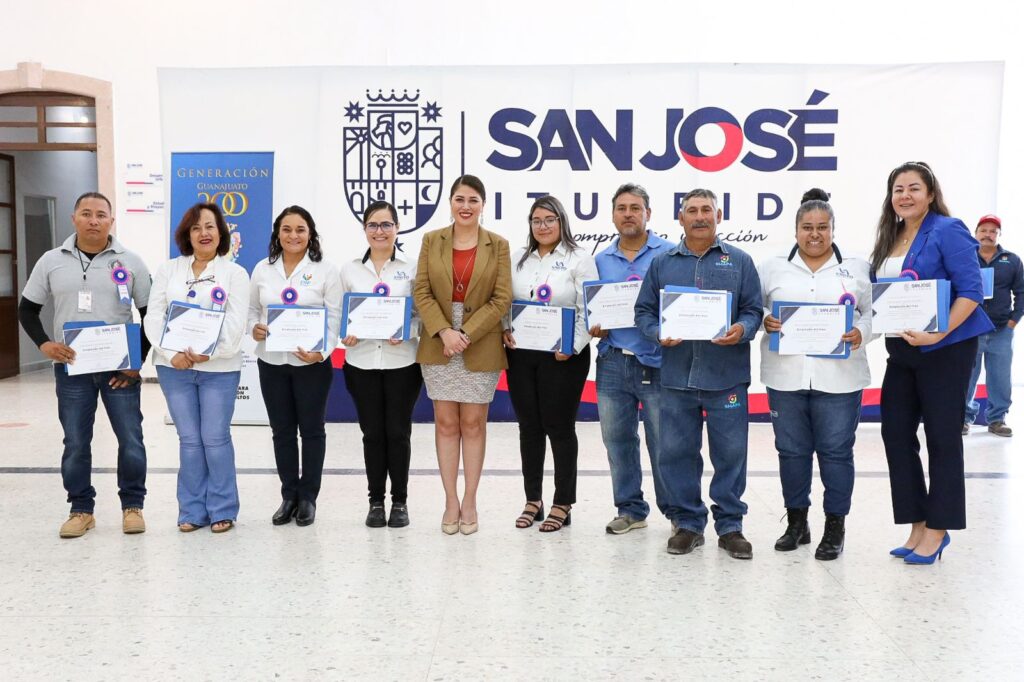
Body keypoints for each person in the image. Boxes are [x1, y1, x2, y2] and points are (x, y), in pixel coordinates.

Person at [870, 161, 993, 565]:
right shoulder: (891, 235)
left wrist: (938, 334)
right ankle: (917, 522)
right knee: (895, 433)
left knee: (942, 437)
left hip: (946, 349)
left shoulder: (947, 229)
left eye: (914, 188)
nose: (905, 195)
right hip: (902, 350)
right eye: (898, 189)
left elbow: (972, 291)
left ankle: (938, 529)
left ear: (930, 193)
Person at [635, 188, 763, 559]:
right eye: (692, 210)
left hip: (727, 378)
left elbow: (753, 310)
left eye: (706, 209)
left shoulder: (740, 261)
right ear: (680, 218)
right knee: (676, 452)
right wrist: (657, 332)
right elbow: (643, 311)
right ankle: (688, 523)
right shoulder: (662, 263)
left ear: (718, 216)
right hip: (676, 377)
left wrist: (741, 329)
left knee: (731, 454)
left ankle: (730, 526)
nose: (699, 216)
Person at [18, 192, 152, 538]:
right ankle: (81, 509)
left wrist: (136, 363)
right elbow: (27, 309)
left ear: (111, 220)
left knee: (131, 439)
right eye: (86, 213)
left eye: (101, 214)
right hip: (71, 368)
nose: (94, 220)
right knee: (76, 441)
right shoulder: (51, 261)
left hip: (119, 371)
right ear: (74, 218)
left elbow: (151, 315)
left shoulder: (130, 261)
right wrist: (44, 344)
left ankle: (132, 506)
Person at [758, 189, 872, 560]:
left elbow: (874, 312)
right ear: (796, 230)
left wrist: (862, 333)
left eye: (823, 227)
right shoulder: (773, 267)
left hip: (839, 378)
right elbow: (752, 307)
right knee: (791, 452)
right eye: (807, 227)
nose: (815, 234)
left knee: (836, 454)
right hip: (785, 376)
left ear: (833, 229)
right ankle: (797, 522)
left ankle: (835, 526)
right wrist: (765, 320)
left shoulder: (856, 267)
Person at [414, 174, 512, 535]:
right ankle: (449, 501)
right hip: (439, 337)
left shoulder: (498, 245)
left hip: (480, 338)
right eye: (459, 199)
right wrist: (444, 330)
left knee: (473, 423)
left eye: (473, 199)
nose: (465, 206)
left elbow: (502, 299)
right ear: (450, 203)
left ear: (483, 205)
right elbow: (421, 291)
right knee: (445, 423)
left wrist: (465, 333)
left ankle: (470, 500)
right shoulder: (430, 240)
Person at [144, 202, 249, 533]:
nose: (204, 233)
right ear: (186, 234)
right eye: (196, 227)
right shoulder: (169, 270)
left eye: (210, 227)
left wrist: (210, 353)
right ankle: (190, 510)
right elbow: (154, 316)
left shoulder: (235, 273)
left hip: (220, 369)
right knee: (189, 439)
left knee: (215, 438)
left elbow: (236, 322)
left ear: (222, 233)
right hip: (173, 368)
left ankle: (222, 508)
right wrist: (171, 351)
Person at [502, 195, 598, 532]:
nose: (543, 226)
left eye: (549, 219)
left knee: (559, 426)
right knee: (529, 427)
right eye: (536, 220)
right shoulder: (517, 259)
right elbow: (504, 302)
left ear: (562, 222)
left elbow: (590, 308)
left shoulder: (579, 259)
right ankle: (533, 499)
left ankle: (563, 502)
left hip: (564, 356)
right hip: (521, 353)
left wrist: (572, 345)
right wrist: (504, 329)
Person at [590, 183, 675, 535]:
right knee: (617, 440)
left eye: (635, 208)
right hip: (612, 361)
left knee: (665, 441)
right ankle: (631, 509)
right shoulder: (600, 260)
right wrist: (594, 325)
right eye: (621, 208)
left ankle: (676, 512)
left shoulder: (669, 254)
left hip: (656, 361)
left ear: (648, 214)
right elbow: (591, 307)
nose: (628, 213)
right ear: (613, 215)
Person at [249, 206, 341, 527]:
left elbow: (335, 318)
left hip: (311, 364)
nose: (293, 236)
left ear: (310, 234)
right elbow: (251, 311)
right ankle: (289, 495)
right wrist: (254, 328)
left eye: (300, 230)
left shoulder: (326, 271)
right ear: (277, 234)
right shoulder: (262, 269)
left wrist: (323, 352)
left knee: (312, 431)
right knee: (282, 431)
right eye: (286, 230)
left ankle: (308, 498)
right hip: (271, 362)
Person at [340, 200, 423, 529]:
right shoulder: (349, 270)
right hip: (360, 361)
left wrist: (406, 330)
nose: (380, 231)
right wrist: (344, 334)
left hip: (402, 361)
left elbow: (420, 315)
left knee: (398, 433)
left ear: (397, 228)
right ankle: (376, 501)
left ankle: (399, 502)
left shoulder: (413, 267)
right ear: (364, 229)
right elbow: (339, 315)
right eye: (373, 225)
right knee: (372, 434)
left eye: (386, 225)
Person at [964, 214, 1023, 437]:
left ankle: (997, 419)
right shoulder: (965, 257)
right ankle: (964, 418)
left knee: (1000, 378)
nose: (988, 235)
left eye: (993, 231)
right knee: (967, 376)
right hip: (970, 329)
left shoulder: (1013, 260)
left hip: (1000, 331)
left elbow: (1021, 293)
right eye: (984, 230)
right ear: (976, 232)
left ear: (998, 235)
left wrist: (1012, 322)